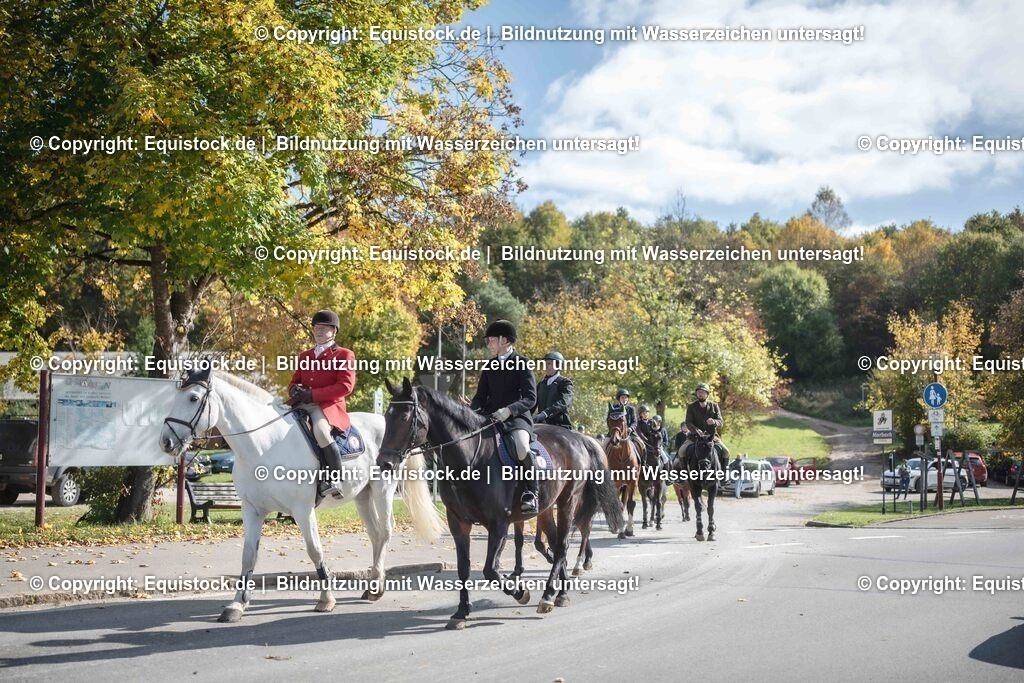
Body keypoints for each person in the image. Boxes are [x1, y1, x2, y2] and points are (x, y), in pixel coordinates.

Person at [470, 320, 540, 513]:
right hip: (490, 418)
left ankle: (531, 492)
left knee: (521, 447)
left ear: (505, 341)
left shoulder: (523, 364)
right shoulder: (490, 365)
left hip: (517, 418)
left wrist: (509, 410)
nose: (489, 344)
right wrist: (472, 411)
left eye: (492, 340)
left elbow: (530, 398)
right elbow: (480, 398)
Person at [287, 309, 356, 500]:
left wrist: (313, 394)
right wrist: (294, 390)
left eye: (324, 329)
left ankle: (335, 480)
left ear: (333, 332)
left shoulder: (344, 355)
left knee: (321, 432)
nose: (319, 332)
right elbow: (295, 381)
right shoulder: (305, 355)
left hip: (326, 407)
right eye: (317, 328)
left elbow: (345, 386)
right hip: (301, 403)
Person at [680, 383, 731, 471]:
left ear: (707, 394)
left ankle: (723, 475)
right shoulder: (691, 407)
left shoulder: (714, 406)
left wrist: (714, 421)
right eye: (698, 392)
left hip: (711, 437)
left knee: (726, 452)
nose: (700, 394)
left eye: (702, 392)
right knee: (681, 451)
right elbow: (688, 422)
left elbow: (721, 422)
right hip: (694, 437)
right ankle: (684, 473)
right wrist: (696, 430)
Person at [533, 351, 574, 429]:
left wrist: (545, 413)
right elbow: (533, 403)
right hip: (541, 424)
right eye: (545, 364)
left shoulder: (565, 383)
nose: (546, 366)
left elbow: (563, 402)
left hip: (559, 424)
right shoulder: (541, 384)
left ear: (558, 366)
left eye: (549, 364)